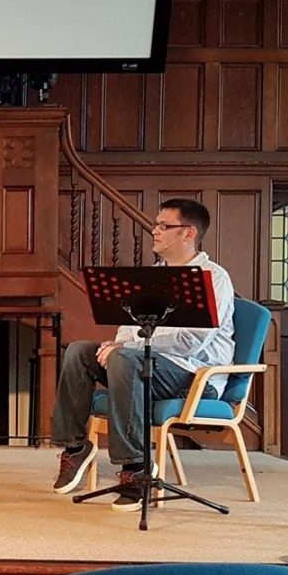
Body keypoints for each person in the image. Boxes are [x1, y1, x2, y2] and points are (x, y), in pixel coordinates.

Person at [50, 198, 235, 512]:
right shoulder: (153, 275)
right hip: (141, 364)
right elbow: (127, 327)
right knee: (81, 351)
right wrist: (118, 345)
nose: (154, 231)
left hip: (190, 374)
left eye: (164, 225)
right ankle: (76, 446)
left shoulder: (213, 278)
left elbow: (193, 341)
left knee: (125, 358)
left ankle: (135, 467)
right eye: (155, 224)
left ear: (188, 233)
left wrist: (127, 348)